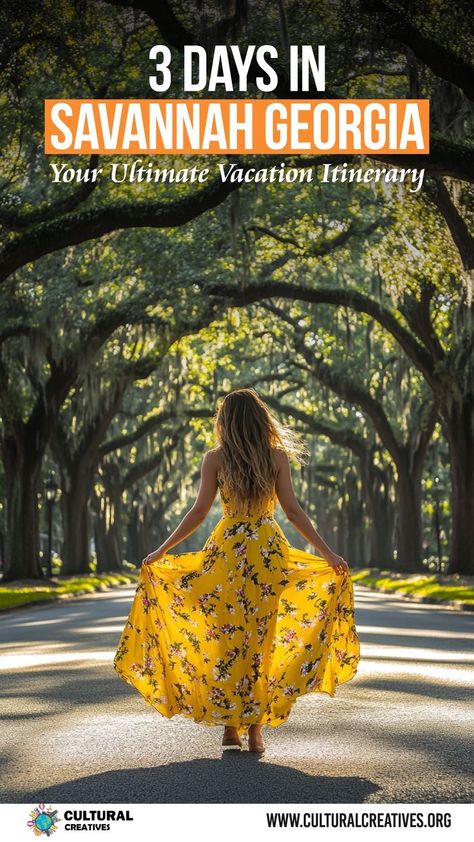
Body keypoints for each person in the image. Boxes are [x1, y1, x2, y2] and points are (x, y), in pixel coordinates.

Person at [113, 388, 359, 753]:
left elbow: (198, 512)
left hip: (226, 552)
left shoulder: (215, 459)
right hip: (266, 552)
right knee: (260, 641)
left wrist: (162, 551)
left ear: (224, 421)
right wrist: (327, 554)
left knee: (225, 640)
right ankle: (256, 732)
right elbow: (292, 511)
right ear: (261, 419)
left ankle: (231, 727)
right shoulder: (276, 456)